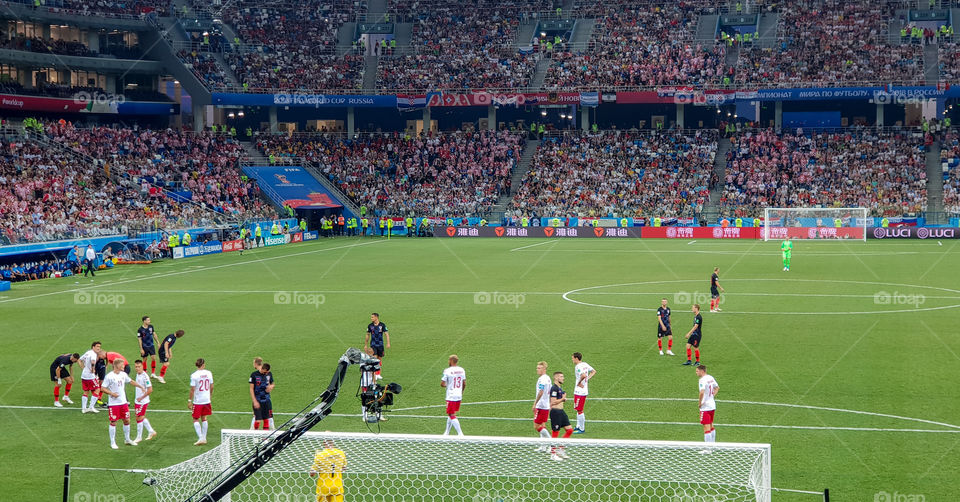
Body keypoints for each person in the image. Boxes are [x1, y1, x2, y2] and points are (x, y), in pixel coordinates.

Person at [101, 358, 147, 449]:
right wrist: (112, 393)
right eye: (122, 365)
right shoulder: (109, 376)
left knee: (127, 420)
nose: (124, 366)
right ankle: (112, 442)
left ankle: (127, 439)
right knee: (113, 421)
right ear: (117, 365)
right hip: (114, 404)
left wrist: (140, 386)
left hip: (123, 403)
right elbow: (103, 388)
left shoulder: (123, 374)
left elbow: (130, 381)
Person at [310, 437, 347, 502]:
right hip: (337, 487)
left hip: (323, 488)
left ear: (324, 442)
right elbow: (343, 468)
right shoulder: (341, 453)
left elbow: (312, 474)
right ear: (333, 441)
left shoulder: (320, 455)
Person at [548, 371, 573, 461]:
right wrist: (563, 399)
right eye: (561, 377)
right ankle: (553, 454)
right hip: (555, 412)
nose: (563, 378)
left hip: (561, 412)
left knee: (569, 430)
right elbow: (553, 402)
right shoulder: (554, 388)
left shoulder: (559, 388)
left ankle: (560, 449)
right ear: (556, 378)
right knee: (555, 433)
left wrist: (563, 399)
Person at [189, 358, 214, 445]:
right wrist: (210, 395)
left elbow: (192, 389)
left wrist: (189, 400)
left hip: (198, 401)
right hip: (206, 400)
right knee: (204, 418)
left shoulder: (194, 375)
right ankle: (204, 438)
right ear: (203, 365)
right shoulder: (208, 373)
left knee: (195, 419)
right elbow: (212, 386)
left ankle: (201, 438)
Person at [440, 354, 465, 436]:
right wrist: (461, 392)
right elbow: (464, 383)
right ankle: (446, 432)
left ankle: (460, 434)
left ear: (450, 361)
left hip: (451, 395)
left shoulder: (447, 371)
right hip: (458, 394)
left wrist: (449, 384)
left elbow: (442, 384)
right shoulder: (462, 370)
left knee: (451, 414)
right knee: (451, 413)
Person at [571, 352, 595, 434]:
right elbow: (593, 371)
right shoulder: (585, 364)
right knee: (578, 409)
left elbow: (583, 375)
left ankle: (582, 428)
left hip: (580, 391)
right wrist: (588, 379)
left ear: (576, 358)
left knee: (580, 410)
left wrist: (579, 382)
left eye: (573, 358)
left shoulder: (578, 366)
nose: (572, 360)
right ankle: (578, 426)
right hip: (582, 391)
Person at [133, 360, 157, 442]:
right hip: (138, 400)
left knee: (139, 417)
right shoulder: (138, 374)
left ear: (142, 366)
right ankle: (151, 431)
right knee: (140, 417)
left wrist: (141, 397)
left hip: (143, 401)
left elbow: (150, 390)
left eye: (139, 366)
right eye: (136, 367)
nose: (137, 368)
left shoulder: (145, 377)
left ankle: (139, 437)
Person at [696, 365, 719, 443]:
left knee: (706, 427)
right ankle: (713, 445)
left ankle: (707, 448)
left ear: (702, 371)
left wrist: (700, 403)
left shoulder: (702, 380)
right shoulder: (710, 377)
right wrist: (711, 396)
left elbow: (702, 392)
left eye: (697, 371)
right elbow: (717, 388)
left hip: (705, 407)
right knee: (711, 425)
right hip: (712, 405)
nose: (696, 373)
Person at [532, 361, 552, 449]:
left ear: (544, 369)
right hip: (546, 405)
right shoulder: (548, 378)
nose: (537, 370)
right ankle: (543, 447)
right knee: (542, 425)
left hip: (541, 405)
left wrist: (535, 403)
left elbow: (541, 392)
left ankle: (552, 443)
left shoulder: (542, 379)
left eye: (539, 368)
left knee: (536, 426)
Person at [250, 362, 275, 431]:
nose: (266, 374)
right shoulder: (254, 375)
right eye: (264, 372)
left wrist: (271, 386)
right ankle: (255, 434)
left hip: (266, 399)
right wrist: (254, 401)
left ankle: (265, 439)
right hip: (257, 399)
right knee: (258, 420)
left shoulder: (269, 374)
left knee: (266, 420)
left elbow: (273, 383)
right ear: (262, 369)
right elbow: (251, 388)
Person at [79, 341, 102, 413]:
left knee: (86, 391)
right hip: (90, 376)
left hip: (84, 375)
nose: (99, 348)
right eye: (97, 346)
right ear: (93, 347)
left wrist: (83, 368)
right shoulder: (93, 354)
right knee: (97, 389)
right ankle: (91, 407)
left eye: (99, 347)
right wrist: (93, 369)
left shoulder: (87, 352)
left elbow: (79, 359)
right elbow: (93, 362)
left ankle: (83, 408)